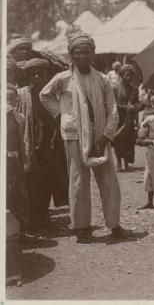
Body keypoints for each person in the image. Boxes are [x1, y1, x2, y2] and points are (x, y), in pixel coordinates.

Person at [39, 32, 129, 243]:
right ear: (71, 55)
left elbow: (112, 110)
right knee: (79, 181)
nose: (83, 56)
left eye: (87, 52)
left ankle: (114, 226)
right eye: (78, 52)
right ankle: (81, 228)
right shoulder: (62, 78)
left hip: (100, 135)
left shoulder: (103, 79)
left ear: (93, 54)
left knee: (109, 182)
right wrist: (62, 113)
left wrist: (105, 137)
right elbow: (44, 95)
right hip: (74, 135)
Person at [17, 58, 69, 234]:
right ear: (29, 75)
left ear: (48, 74)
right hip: (30, 145)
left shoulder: (54, 94)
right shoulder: (22, 95)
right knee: (32, 183)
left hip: (51, 146)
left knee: (48, 182)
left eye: (41, 72)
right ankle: (33, 219)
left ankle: (44, 217)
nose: (37, 76)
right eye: (33, 73)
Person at [6, 84, 30, 234]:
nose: (9, 101)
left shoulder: (20, 118)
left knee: (19, 194)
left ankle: (21, 230)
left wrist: (25, 160)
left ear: (16, 101)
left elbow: (24, 141)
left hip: (16, 161)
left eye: (12, 99)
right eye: (7, 98)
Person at [112, 64, 142, 171]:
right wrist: (125, 107)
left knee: (129, 141)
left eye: (129, 75)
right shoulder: (115, 87)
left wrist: (135, 107)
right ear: (121, 75)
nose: (127, 77)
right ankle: (118, 162)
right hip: (119, 118)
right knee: (118, 140)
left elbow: (138, 102)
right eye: (125, 75)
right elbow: (113, 103)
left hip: (130, 119)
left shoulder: (135, 89)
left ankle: (126, 162)